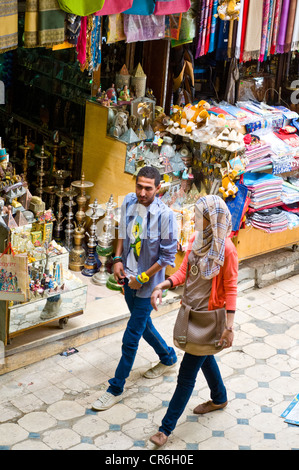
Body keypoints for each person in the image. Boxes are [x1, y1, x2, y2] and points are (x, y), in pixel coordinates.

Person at [149, 195, 238, 447]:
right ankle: (219, 398)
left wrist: (229, 328)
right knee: (205, 356)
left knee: (187, 374)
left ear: (215, 220)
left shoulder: (227, 250)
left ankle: (165, 429)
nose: (197, 220)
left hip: (210, 320)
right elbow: (184, 272)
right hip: (190, 314)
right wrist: (163, 285)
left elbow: (231, 288)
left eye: (202, 217)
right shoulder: (196, 241)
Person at [92, 166, 178, 411]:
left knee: (131, 336)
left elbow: (167, 257)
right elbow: (121, 230)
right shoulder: (129, 201)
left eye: (148, 188)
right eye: (139, 186)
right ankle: (168, 357)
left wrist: (142, 278)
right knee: (142, 324)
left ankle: (115, 387)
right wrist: (117, 260)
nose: (142, 192)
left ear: (158, 188)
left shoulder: (165, 216)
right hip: (126, 278)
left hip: (146, 284)